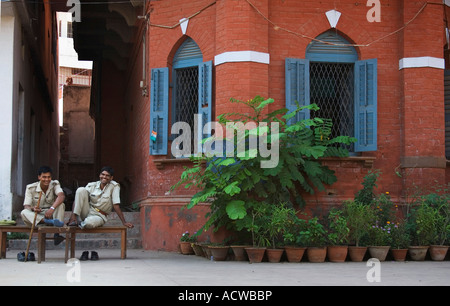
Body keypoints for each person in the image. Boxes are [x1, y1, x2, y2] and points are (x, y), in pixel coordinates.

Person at [67, 166, 133, 229]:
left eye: (107, 175)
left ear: (111, 178)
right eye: (103, 174)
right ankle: (74, 219)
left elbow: (115, 205)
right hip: (87, 211)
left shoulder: (114, 186)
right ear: (100, 175)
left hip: (99, 215)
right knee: (80, 190)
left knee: (88, 223)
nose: (104, 177)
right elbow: (78, 198)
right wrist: (73, 216)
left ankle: (80, 223)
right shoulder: (92, 185)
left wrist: (124, 222)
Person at [20, 166, 66, 245]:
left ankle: (57, 234)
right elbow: (26, 206)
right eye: (44, 177)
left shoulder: (55, 184)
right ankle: (48, 222)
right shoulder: (30, 188)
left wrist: (52, 208)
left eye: (49, 177)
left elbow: (61, 196)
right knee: (24, 212)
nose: (47, 179)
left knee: (61, 205)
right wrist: (33, 208)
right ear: (39, 177)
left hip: (51, 215)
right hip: (37, 217)